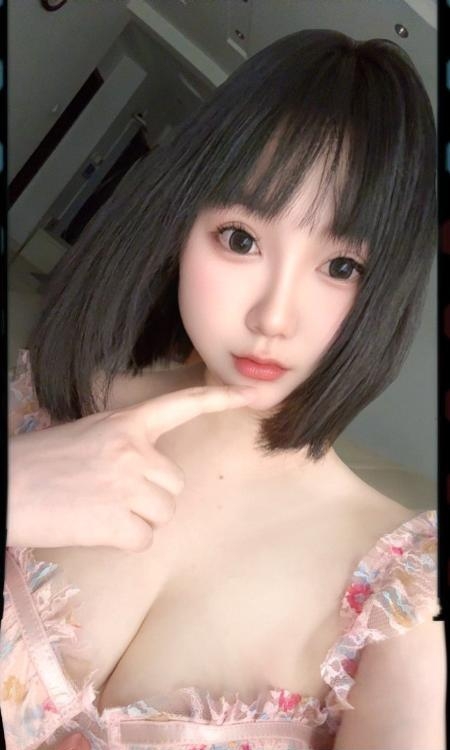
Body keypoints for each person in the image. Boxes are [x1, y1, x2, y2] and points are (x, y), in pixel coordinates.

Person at [2, 28, 444, 750]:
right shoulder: (54, 401)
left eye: (341, 267)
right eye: (241, 239)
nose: (274, 316)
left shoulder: (400, 602)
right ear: (184, 225)